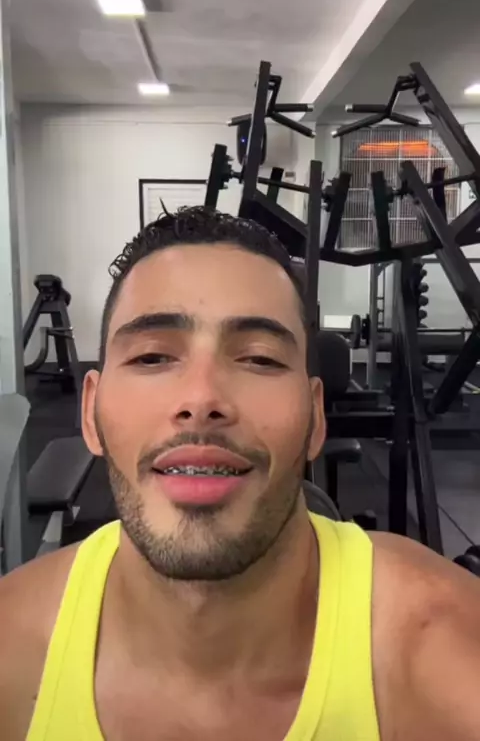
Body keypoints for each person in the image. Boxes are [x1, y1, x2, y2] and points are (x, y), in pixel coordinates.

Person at [1, 206, 480, 741]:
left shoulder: (445, 651)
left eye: (259, 359)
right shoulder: (11, 650)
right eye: (152, 357)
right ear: (90, 412)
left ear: (316, 418)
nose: (202, 398)